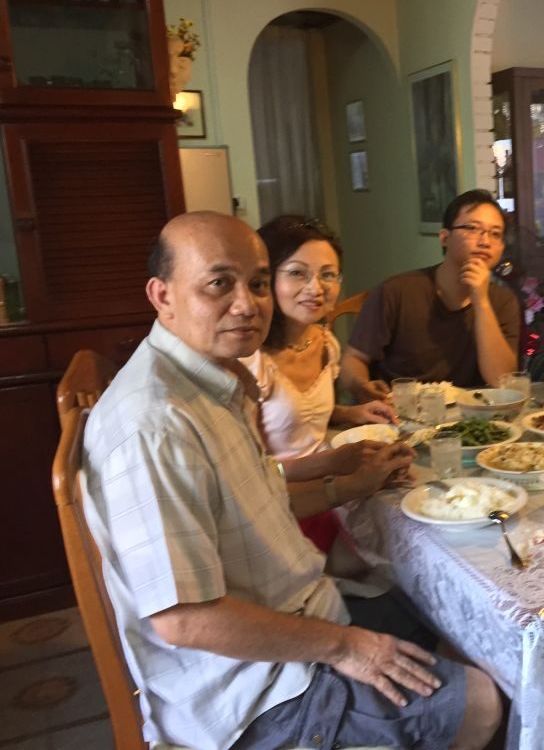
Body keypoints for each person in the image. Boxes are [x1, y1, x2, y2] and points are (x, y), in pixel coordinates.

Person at [82, 212, 501, 750]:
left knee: (458, 625)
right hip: (252, 693)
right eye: (218, 284)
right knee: (483, 699)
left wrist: (336, 476)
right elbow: (185, 620)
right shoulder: (155, 422)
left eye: (257, 283)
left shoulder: (213, 380)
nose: (247, 303)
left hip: (301, 609)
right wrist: (345, 647)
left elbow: (258, 495)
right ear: (162, 296)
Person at [241, 215, 399, 576]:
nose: (316, 287)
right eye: (297, 273)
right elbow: (249, 475)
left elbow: (299, 414)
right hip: (281, 508)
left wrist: (352, 414)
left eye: (328, 274)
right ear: (266, 280)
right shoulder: (250, 361)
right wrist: (334, 464)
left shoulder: (323, 342)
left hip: (330, 489)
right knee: (390, 565)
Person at [341, 189, 520, 402]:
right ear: (444, 237)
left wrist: (481, 302)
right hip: (400, 415)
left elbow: (500, 381)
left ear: (501, 247)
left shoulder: (503, 301)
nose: (485, 241)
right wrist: (362, 385)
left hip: (469, 417)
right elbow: (353, 359)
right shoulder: (396, 291)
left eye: (495, 233)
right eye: (472, 228)